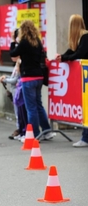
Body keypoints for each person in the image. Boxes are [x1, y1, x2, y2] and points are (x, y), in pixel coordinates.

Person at [9, 20, 56, 141]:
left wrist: (13, 41)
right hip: (39, 77)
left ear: (23, 31)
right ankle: (46, 131)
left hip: (28, 78)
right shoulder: (37, 42)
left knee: (31, 108)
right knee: (38, 105)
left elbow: (13, 54)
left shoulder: (24, 43)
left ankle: (35, 135)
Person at [55, 14, 88, 148]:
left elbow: (79, 54)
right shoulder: (80, 38)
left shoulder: (85, 37)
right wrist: (62, 56)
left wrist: (64, 58)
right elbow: (73, 51)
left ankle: (85, 138)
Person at [0, 56, 28, 141]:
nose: (11, 57)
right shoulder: (16, 64)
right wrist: (6, 77)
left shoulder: (20, 63)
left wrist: (5, 80)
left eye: (14, 55)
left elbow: (15, 79)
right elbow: (13, 77)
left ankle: (21, 130)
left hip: (18, 91)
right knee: (17, 113)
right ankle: (20, 130)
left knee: (19, 113)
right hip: (15, 91)